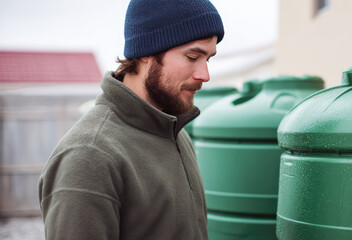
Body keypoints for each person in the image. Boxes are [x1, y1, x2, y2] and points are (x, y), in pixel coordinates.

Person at [38, 0, 224, 239]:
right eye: (191, 56)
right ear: (146, 51)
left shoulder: (176, 133)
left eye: (207, 59)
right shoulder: (89, 155)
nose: (205, 75)